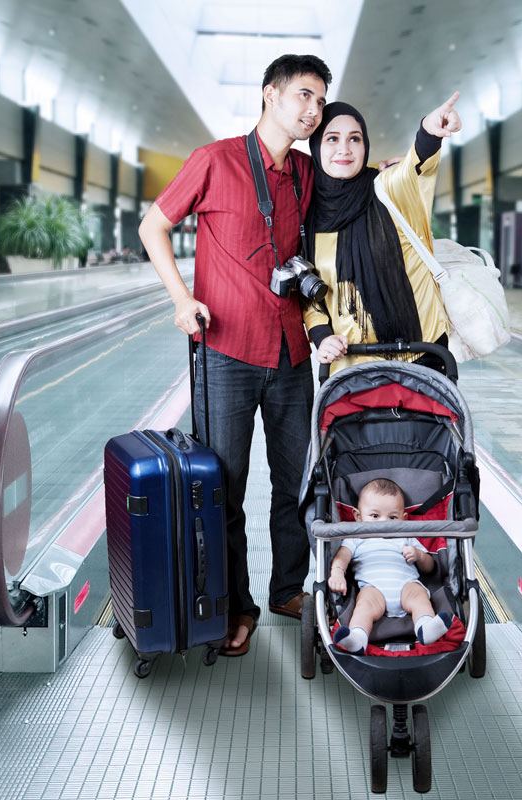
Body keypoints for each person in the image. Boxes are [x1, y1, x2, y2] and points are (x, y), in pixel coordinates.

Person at [138, 53, 332, 657]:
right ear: (270, 94)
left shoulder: (306, 173)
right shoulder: (214, 160)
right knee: (221, 486)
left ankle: (288, 589)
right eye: (304, 96)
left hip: (292, 353)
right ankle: (234, 605)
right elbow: (153, 226)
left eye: (321, 101)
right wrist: (180, 297)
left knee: (296, 482)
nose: (313, 110)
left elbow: (360, 182)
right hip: (223, 351)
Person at [303, 93, 463, 375]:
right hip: (349, 366)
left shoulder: (386, 189)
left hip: (421, 354)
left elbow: (415, 168)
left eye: (355, 138)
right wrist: (322, 337)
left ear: (365, 145)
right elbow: (309, 292)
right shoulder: (308, 216)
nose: (345, 149)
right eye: (332, 139)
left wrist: (428, 131)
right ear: (316, 146)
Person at [326, 478, 453, 654]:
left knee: (419, 597)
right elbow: (342, 556)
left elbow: (429, 568)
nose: (383, 522)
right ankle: (358, 638)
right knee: (363, 606)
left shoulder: (407, 535)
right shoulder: (356, 537)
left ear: (404, 518)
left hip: (407, 586)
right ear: (358, 516)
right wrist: (337, 572)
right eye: (375, 516)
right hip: (373, 590)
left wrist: (419, 556)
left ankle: (426, 627)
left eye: (392, 517)